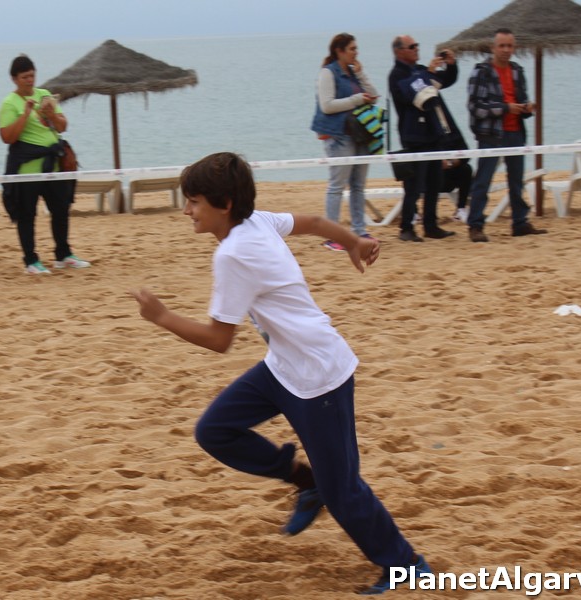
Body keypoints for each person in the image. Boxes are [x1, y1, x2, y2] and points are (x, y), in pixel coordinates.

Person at [130, 152, 431, 595]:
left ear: (224, 204)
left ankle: (407, 565)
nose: (186, 211)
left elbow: (219, 339)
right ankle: (305, 481)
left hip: (318, 375)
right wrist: (353, 241)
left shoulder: (233, 253)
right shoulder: (257, 221)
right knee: (215, 431)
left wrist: (162, 316)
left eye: (193, 202)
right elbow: (315, 222)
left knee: (343, 489)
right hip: (283, 368)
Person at [0, 54, 90, 275]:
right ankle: (31, 260)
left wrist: (51, 115)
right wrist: (25, 114)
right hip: (27, 169)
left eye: (32, 75)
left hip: (53, 165)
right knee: (27, 215)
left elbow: (62, 126)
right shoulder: (10, 103)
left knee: (61, 209)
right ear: (14, 79)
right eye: (24, 77)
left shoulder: (44, 95)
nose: (29, 80)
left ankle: (63, 254)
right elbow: (7, 137)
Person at [466, 28, 547, 242]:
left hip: (515, 132)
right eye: (501, 45)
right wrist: (505, 108)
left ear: (514, 48)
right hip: (490, 134)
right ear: (493, 48)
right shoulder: (482, 72)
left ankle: (519, 222)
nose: (505, 50)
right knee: (483, 180)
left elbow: (520, 100)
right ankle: (475, 225)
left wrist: (526, 108)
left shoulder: (517, 71)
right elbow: (475, 107)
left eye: (509, 46)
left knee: (517, 181)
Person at [310, 33, 380, 252]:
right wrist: (356, 100)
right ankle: (332, 234)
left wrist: (360, 73)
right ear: (339, 51)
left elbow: (374, 94)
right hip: (339, 135)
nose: (356, 52)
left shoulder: (353, 72)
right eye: (352, 49)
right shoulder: (328, 73)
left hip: (360, 134)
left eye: (356, 48)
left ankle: (359, 230)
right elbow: (327, 105)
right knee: (337, 185)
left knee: (358, 185)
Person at [388, 35, 457, 242]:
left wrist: (451, 66)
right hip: (413, 136)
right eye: (412, 46)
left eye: (417, 45)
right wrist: (429, 73)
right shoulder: (396, 74)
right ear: (399, 51)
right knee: (413, 185)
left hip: (432, 133)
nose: (416, 49)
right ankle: (406, 227)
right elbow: (411, 94)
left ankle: (430, 225)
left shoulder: (419, 70)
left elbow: (442, 82)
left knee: (435, 182)